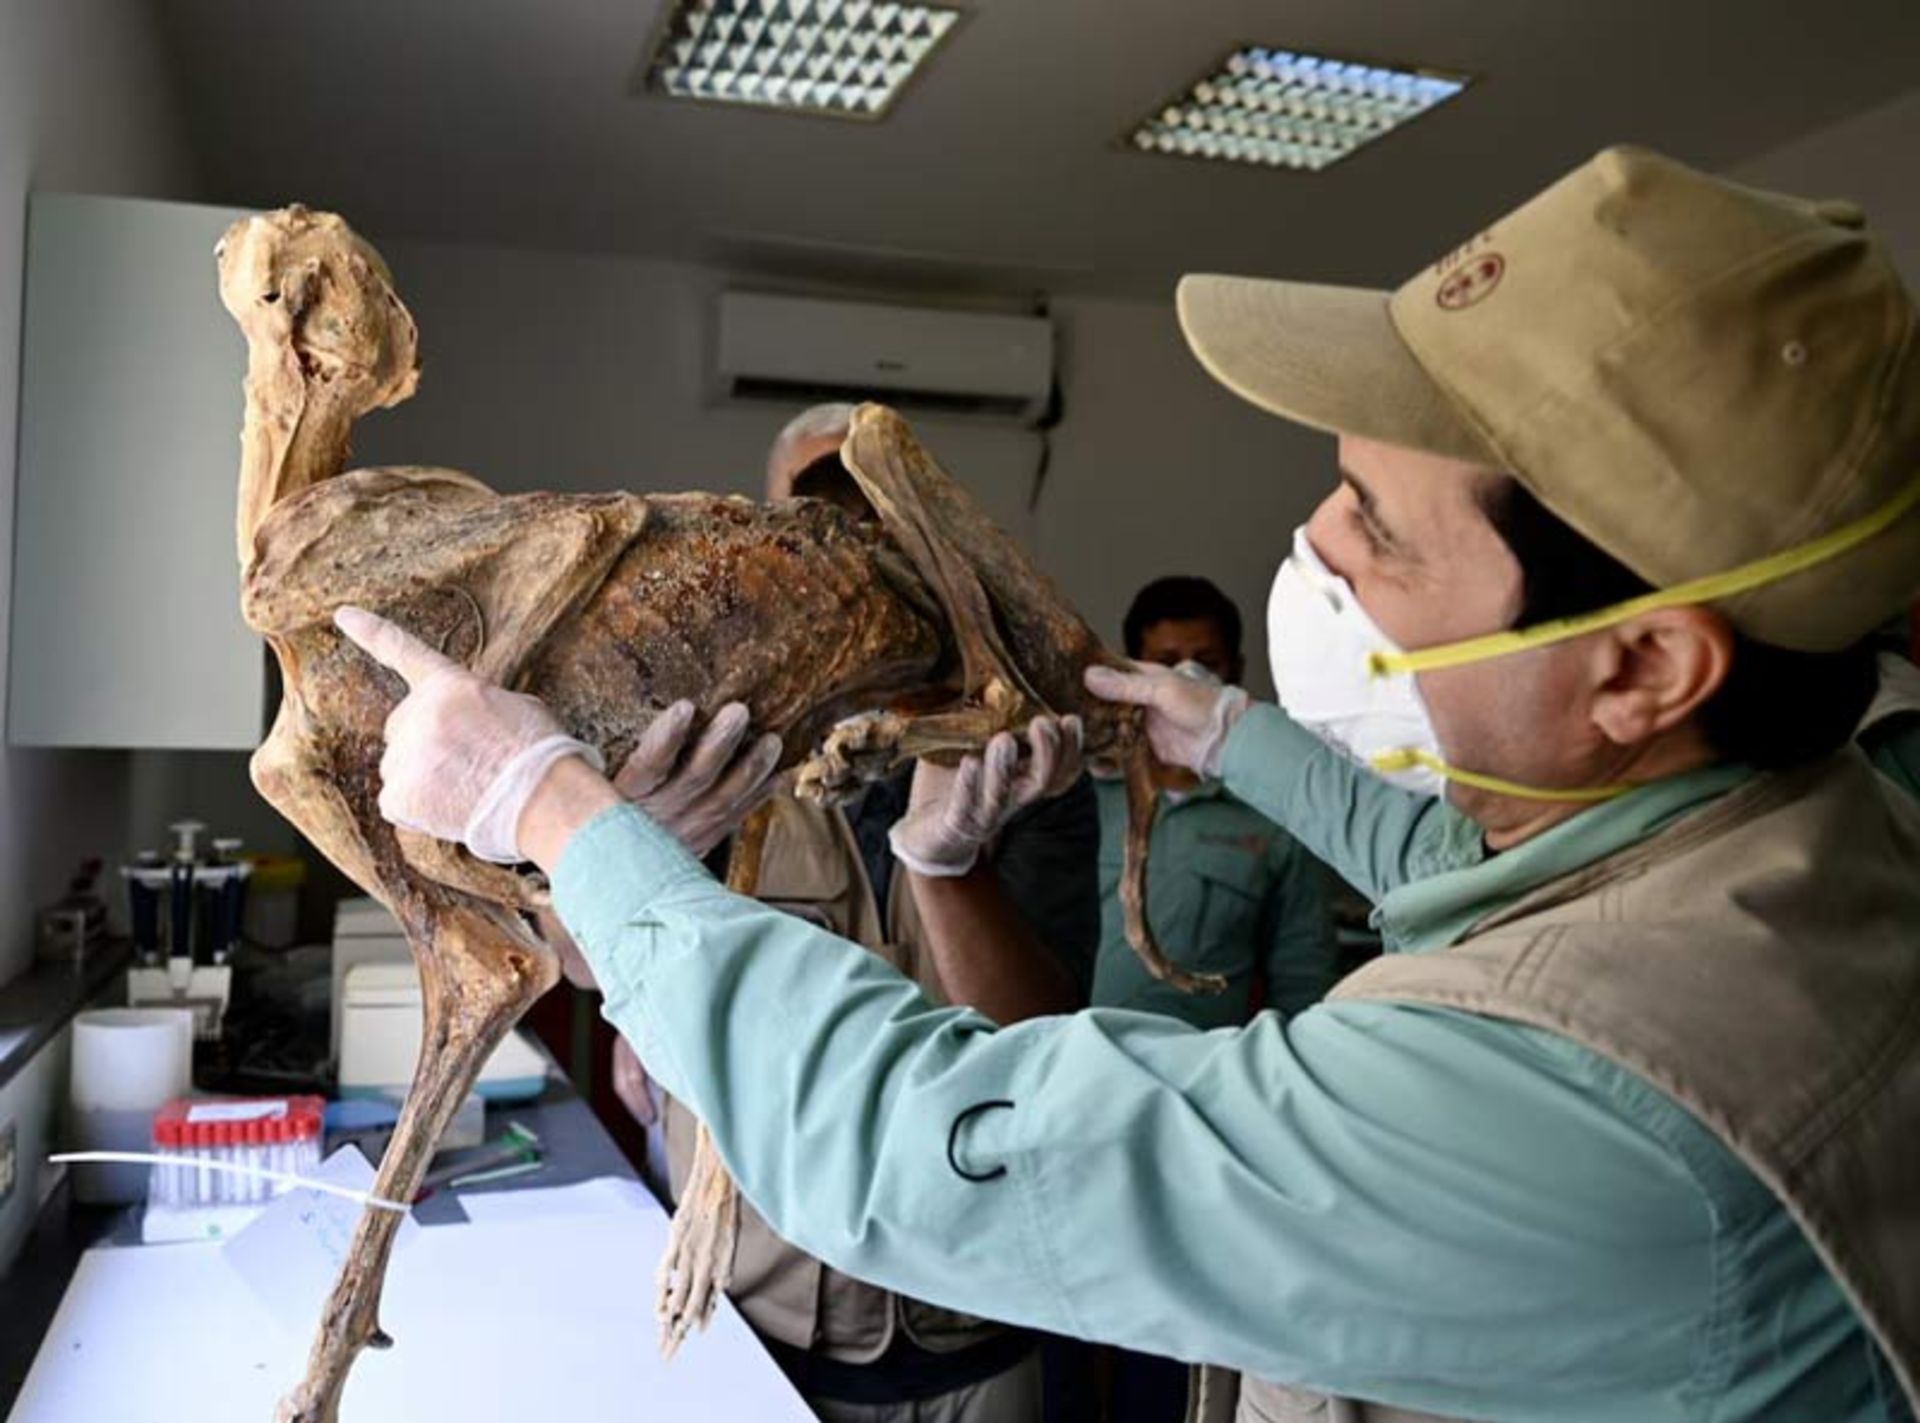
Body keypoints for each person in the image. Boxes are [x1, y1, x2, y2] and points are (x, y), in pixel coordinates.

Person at [337, 146, 1920, 1423]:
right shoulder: (1807, 836)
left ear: (1641, 667)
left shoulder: (1583, 1111)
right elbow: (1467, 861)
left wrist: (548, 804)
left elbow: (921, 1139)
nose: (1320, 547)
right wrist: (1227, 730)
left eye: (1380, 521)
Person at [566, 403, 1099, 1423]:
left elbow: (1037, 1041)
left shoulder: (1022, 757)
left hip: (976, 1325)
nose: (848, 551)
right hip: (760, 1332)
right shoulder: (705, 737)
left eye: (876, 517)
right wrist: (631, 841)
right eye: (814, 521)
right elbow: (579, 958)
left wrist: (947, 863)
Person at [1092, 576, 1336, 1031]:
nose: (1184, 678)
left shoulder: (1275, 815)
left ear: (1235, 671)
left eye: (1206, 662)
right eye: (1164, 663)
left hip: (1202, 1075)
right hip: (1071, 1065)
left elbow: (1304, 978)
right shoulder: (1077, 801)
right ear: (1131, 674)